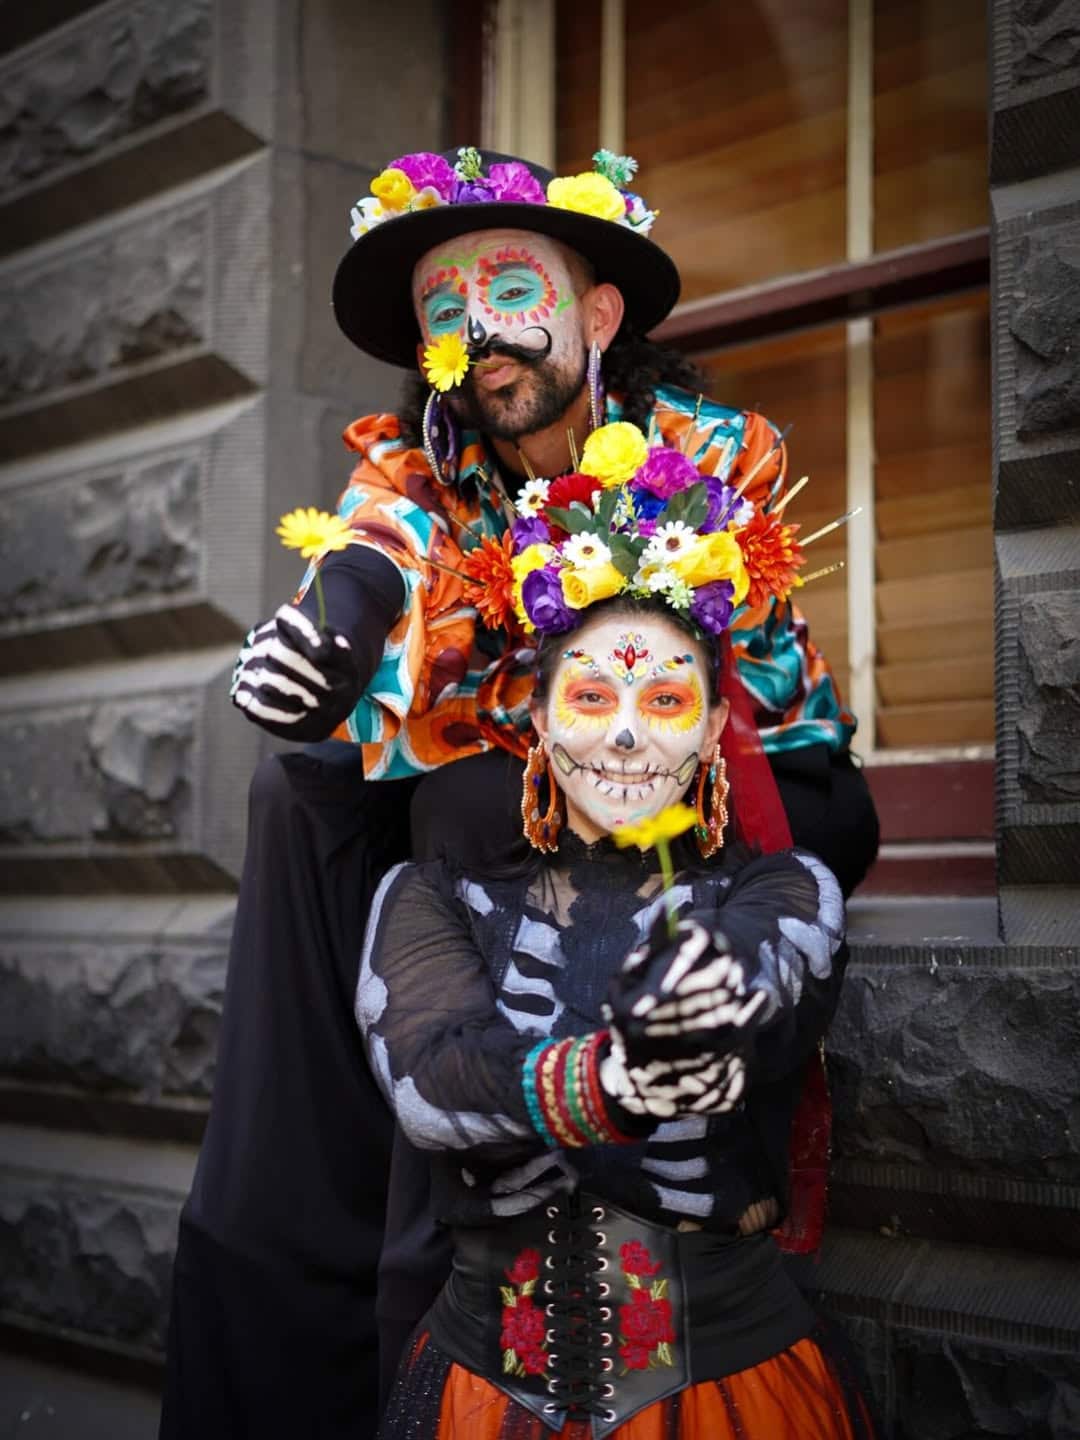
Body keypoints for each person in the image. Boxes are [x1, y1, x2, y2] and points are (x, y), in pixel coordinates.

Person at [160, 147, 878, 1439]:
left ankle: (551, 1202)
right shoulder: (424, 466)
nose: (477, 331)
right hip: (514, 791)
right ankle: (325, 1250)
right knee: (305, 792)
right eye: (444, 312)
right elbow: (381, 543)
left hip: (738, 772)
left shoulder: (709, 452)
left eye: (506, 291)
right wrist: (333, 626)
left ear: (597, 312)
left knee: (468, 810)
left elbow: (675, 680)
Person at [359, 436, 875, 1437]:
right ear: (540, 723)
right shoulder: (431, 898)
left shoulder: (785, 888)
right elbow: (429, 1078)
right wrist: (611, 1082)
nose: (627, 735)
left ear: (714, 726)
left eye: (665, 700)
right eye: (592, 697)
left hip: (729, 1391)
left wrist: (705, 1001)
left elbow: (765, 969)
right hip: (484, 1393)